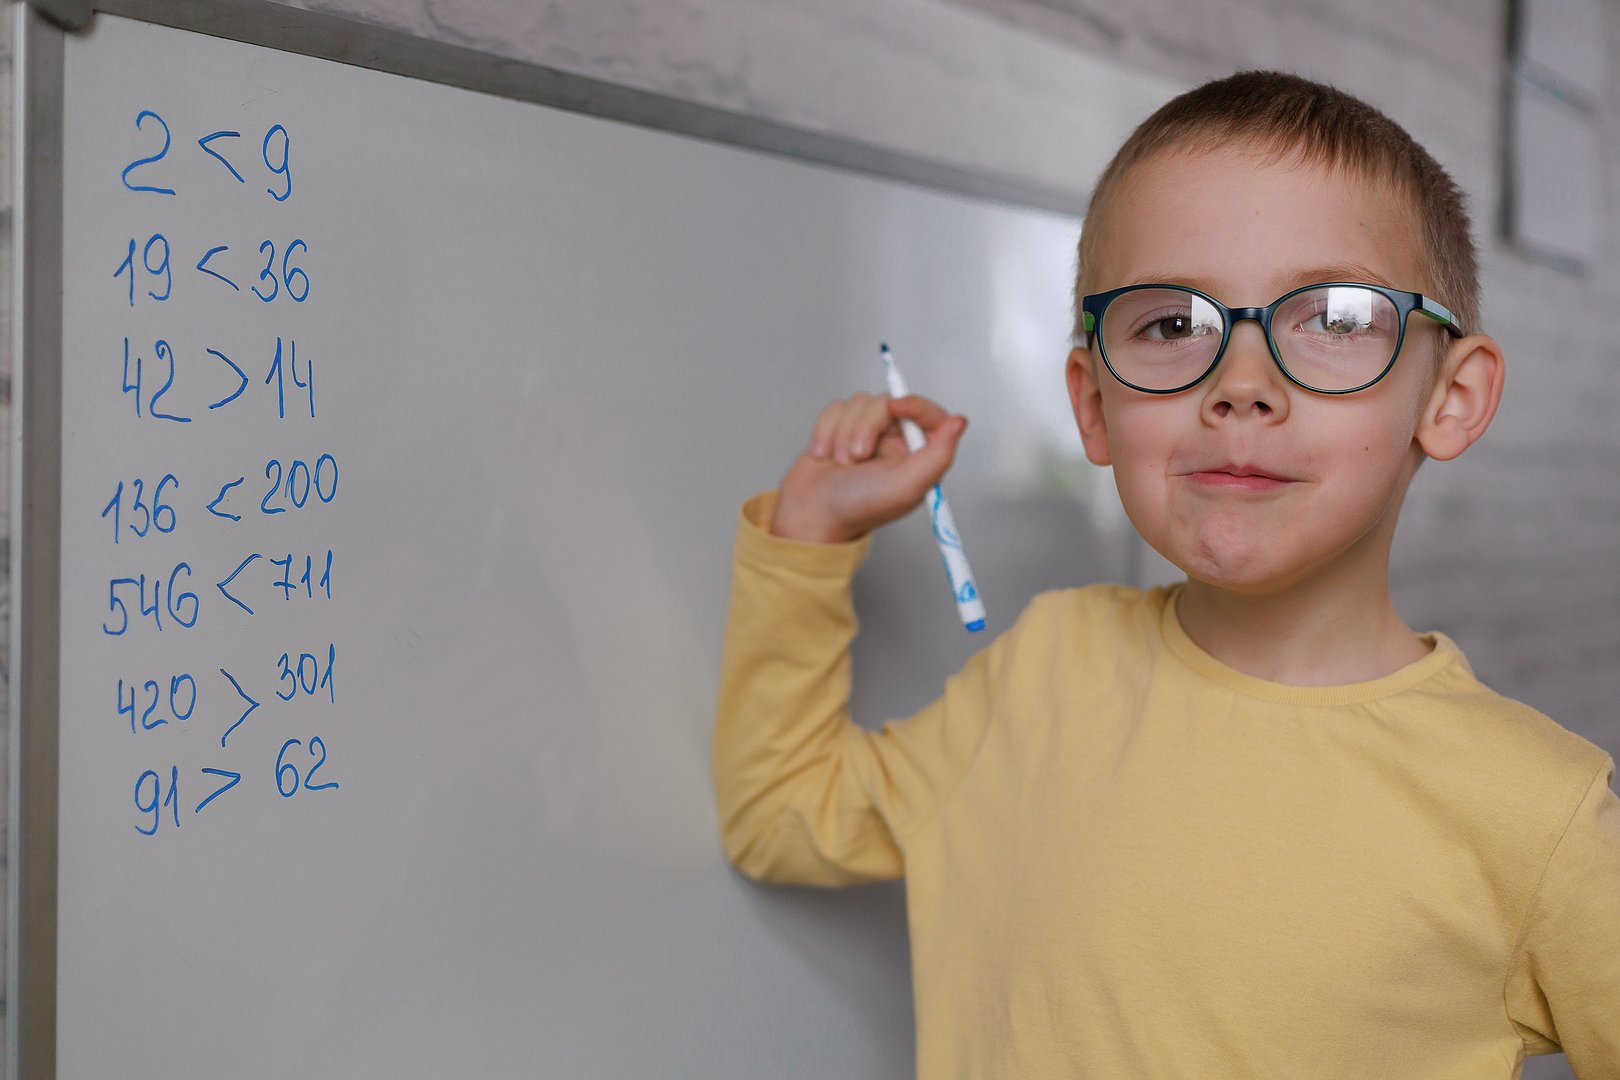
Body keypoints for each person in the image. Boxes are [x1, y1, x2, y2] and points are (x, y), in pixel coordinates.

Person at [712, 70, 1620, 1078]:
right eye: (1171, 324)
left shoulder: (1538, 814)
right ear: (1096, 406)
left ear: (1450, 398)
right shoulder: (1043, 674)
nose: (1241, 385)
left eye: (1333, 317)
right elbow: (782, 817)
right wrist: (808, 541)